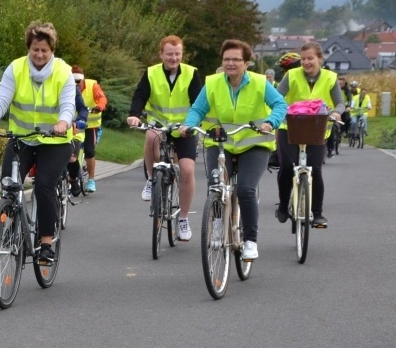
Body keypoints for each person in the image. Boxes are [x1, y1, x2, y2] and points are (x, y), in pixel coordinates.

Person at [0, 21, 74, 263]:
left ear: (52, 50)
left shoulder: (63, 72)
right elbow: (1, 102)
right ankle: (12, 227)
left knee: (44, 187)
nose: (39, 54)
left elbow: (68, 105)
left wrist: (63, 123)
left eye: (44, 50)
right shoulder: (16, 68)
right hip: (22, 138)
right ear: (28, 48)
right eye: (35, 49)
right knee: (9, 184)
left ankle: (46, 243)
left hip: (55, 141)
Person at [179, 39, 287, 260]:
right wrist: (188, 124)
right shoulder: (213, 83)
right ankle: (218, 225)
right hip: (220, 143)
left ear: (246, 63)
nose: (230, 63)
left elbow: (280, 104)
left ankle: (250, 241)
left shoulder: (259, 83)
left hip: (254, 144)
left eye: (236, 59)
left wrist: (271, 122)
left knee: (246, 189)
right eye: (226, 59)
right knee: (216, 186)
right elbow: (198, 109)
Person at [127, 35, 203, 241]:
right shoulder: (151, 73)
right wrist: (134, 114)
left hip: (183, 128)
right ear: (161, 54)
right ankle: (152, 178)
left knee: (187, 170)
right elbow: (140, 95)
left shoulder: (191, 73)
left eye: (177, 54)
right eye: (169, 54)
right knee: (151, 136)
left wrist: (192, 124)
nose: (174, 58)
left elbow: (198, 102)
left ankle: (183, 218)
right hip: (159, 124)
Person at [274, 42, 345, 227]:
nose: (306, 62)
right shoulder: (291, 75)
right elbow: (276, 96)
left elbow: (340, 103)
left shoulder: (330, 78)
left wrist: (336, 113)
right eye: (303, 59)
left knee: (315, 170)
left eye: (310, 58)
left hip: (317, 129)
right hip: (289, 127)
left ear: (320, 59)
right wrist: (281, 110)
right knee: (287, 166)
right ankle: (283, 205)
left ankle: (317, 213)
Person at [71, 65, 107, 192]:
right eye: (73, 81)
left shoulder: (92, 85)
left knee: (89, 151)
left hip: (91, 126)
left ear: (83, 80)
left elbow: (102, 98)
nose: (76, 85)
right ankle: (71, 178)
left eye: (78, 82)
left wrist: (99, 106)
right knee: (70, 151)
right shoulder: (67, 87)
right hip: (74, 125)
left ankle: (91, 180)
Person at [66, 86, 89, 196]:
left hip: (73, 132)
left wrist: (80, 120)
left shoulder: (72, 88)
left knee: (71, 158)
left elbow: (82, 109)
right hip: (49, 132)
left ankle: (73, 179)